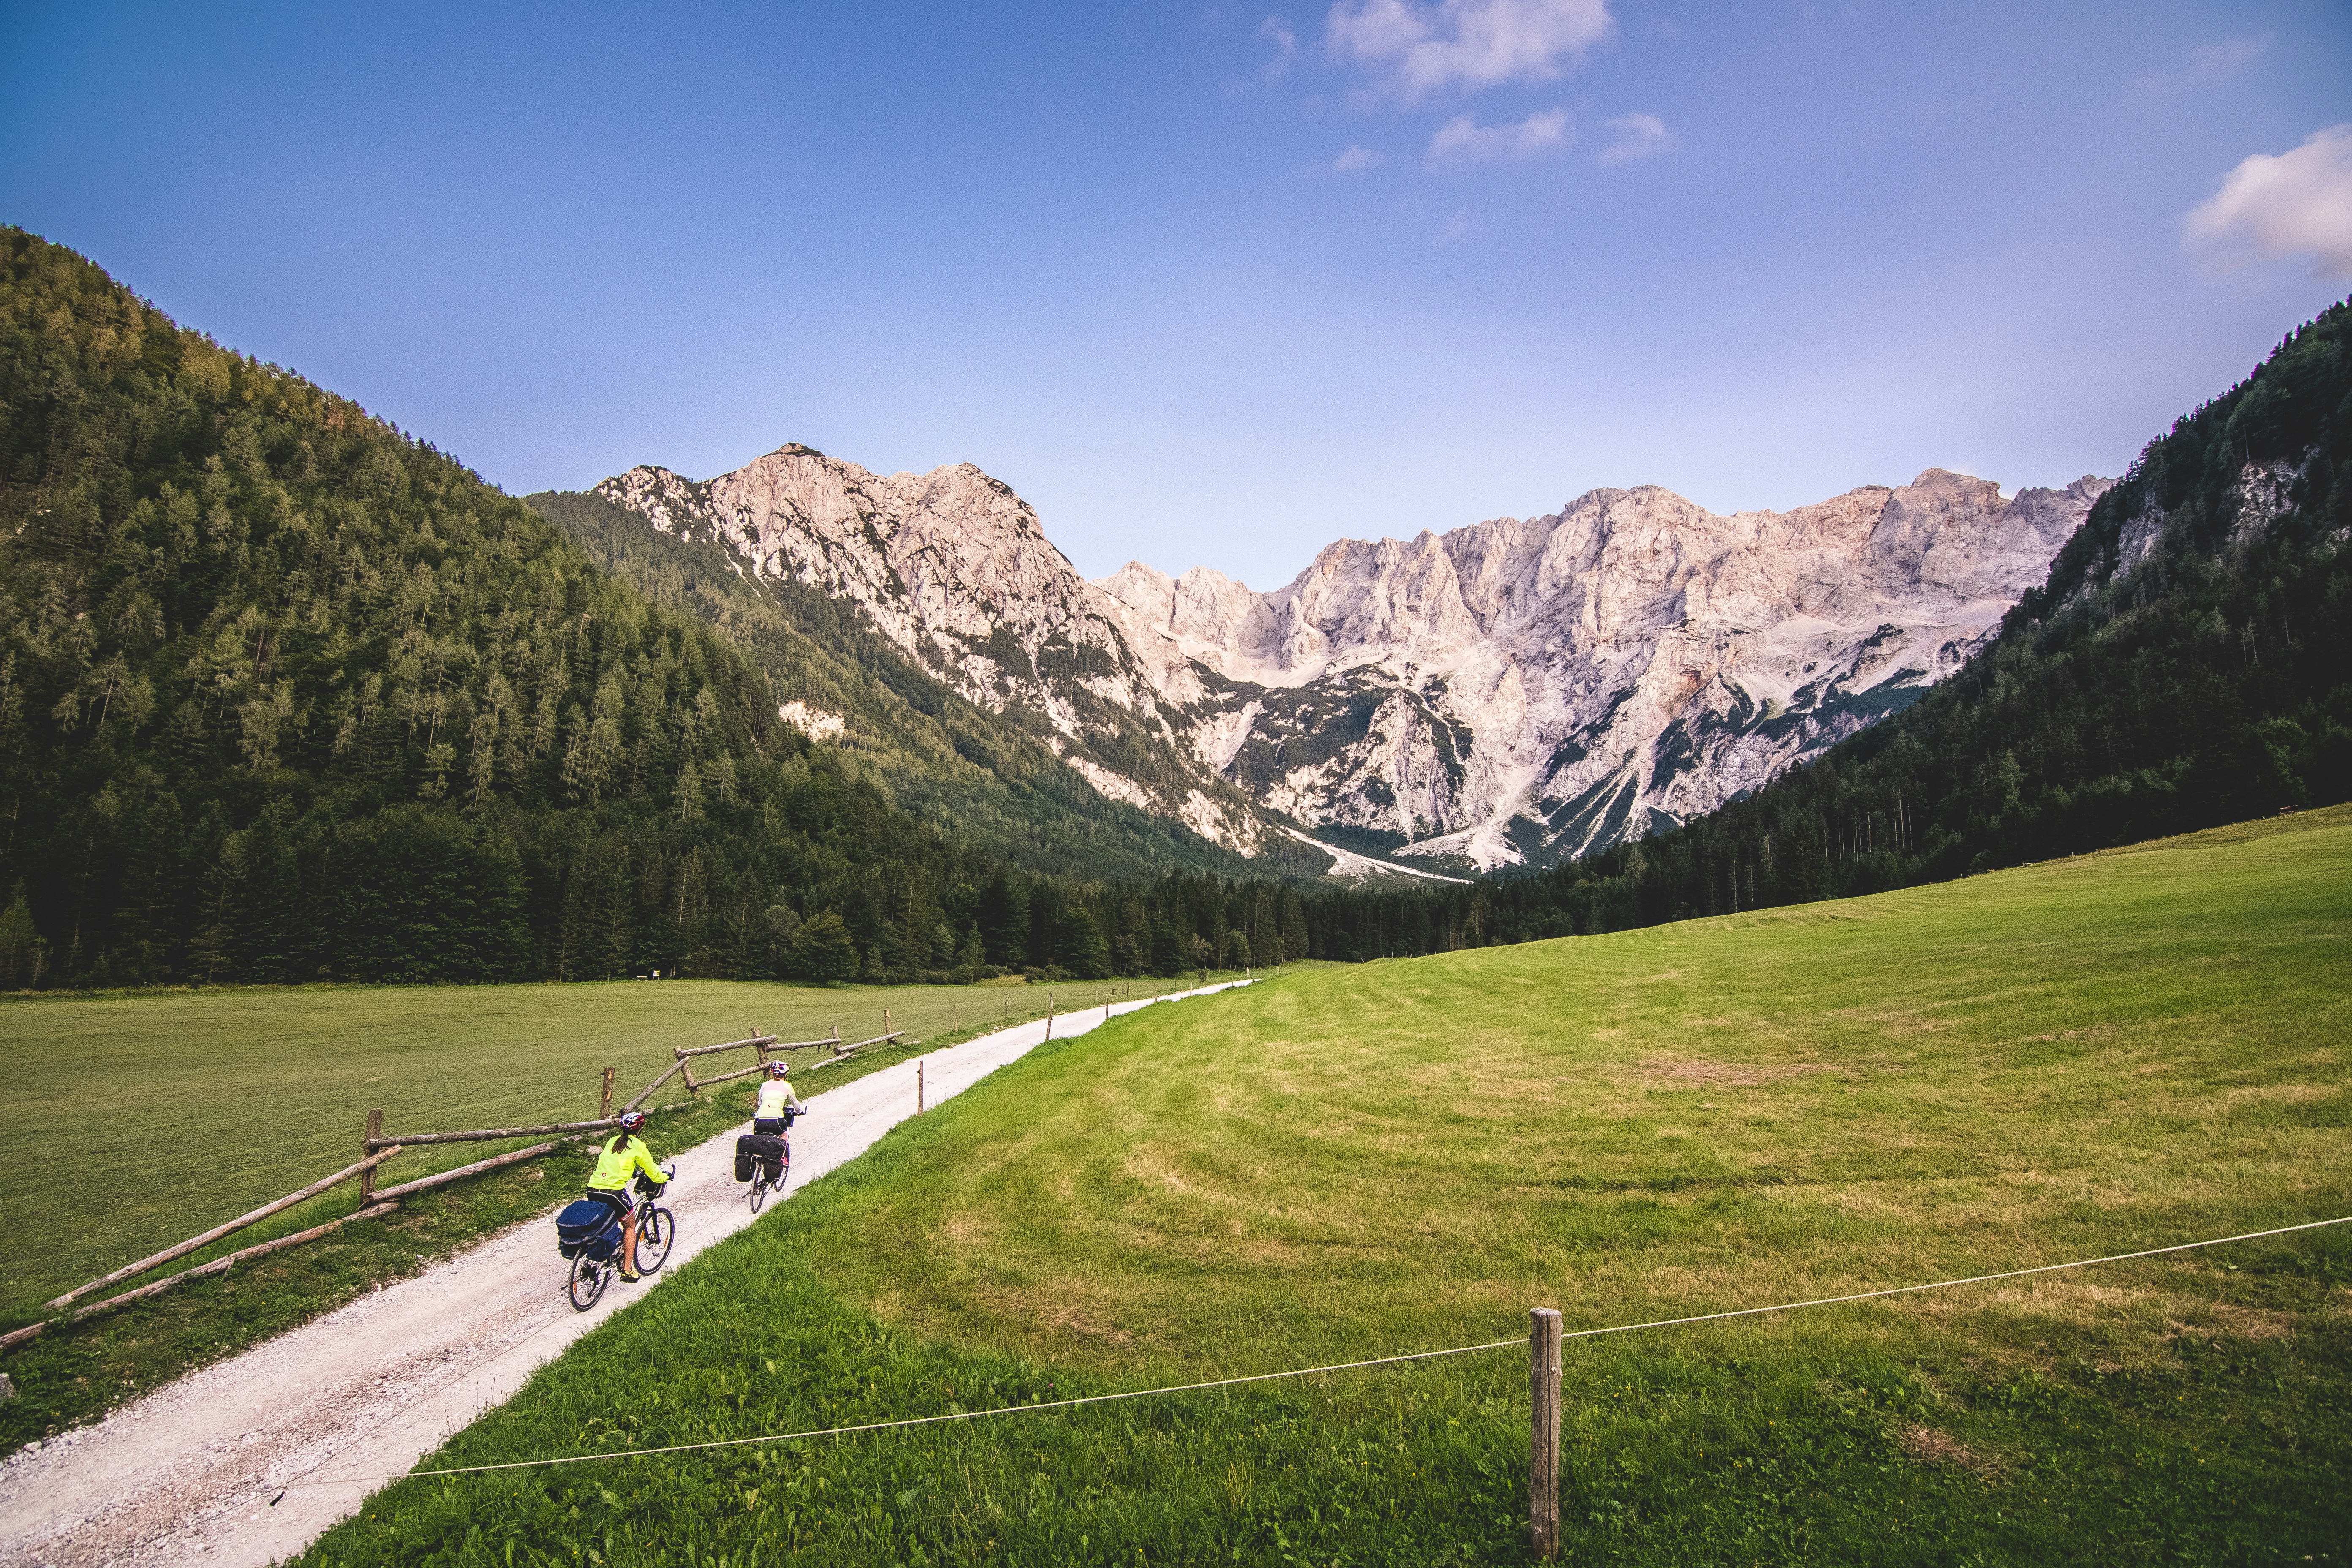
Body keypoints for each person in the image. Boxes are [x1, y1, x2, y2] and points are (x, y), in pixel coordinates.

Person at [585, 1109, 666, 1283]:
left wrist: (632, 1171)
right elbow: (652, 1171)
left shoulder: (612, 1141)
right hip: (613, 1192)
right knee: (630, 1226)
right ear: (640, 1129)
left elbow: (611, 1163)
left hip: (592, 1188)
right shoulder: (639, 1146)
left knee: (606, 1223)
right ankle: (627, 1271)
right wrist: (664, 1177)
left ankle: (601, 1254)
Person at [751, 1061, 800, 1136]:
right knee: (784, 1134)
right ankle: (784, 1144)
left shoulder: (764, 1085)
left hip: (759, 1122)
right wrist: (798, 1111)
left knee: (758, 1139)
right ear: (785, 1074)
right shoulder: (787, 1086)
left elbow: (760, 1104)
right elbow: (796, 1104)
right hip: (777, 1121)